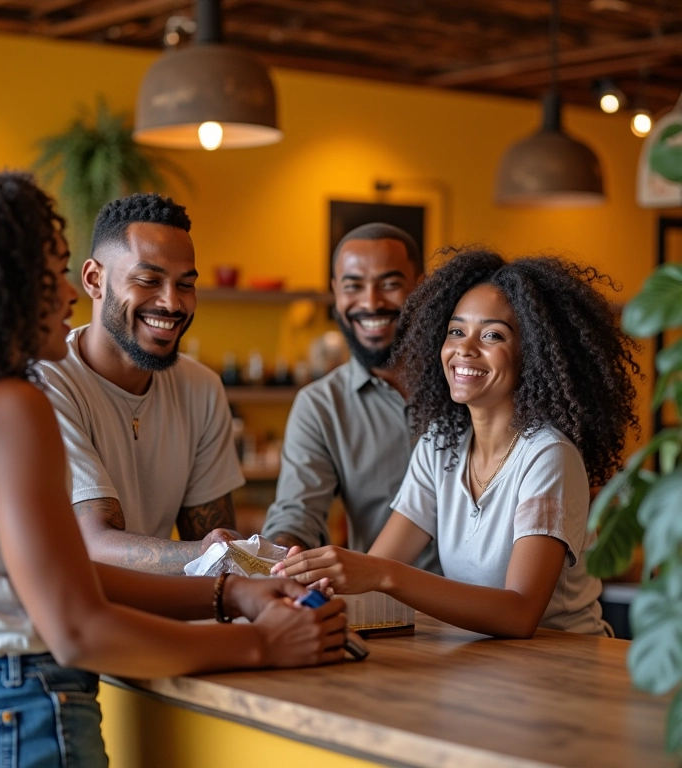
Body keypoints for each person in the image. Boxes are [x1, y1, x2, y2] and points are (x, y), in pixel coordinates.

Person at [0, 162, 347, 767]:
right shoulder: (14, 406)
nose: (67, 293)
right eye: (47, 275)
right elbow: (78, 627)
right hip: (22, 704)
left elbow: (64, 576)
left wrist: (230, 594)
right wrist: (260, 643)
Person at [274, 246, 642, 638]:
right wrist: (314, 578)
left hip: (564, 670)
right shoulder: (440, 446)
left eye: (492, 335)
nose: (464, 349)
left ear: (531, 354)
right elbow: (379, 563)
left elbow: (519, 613)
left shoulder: (548, 456)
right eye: (456, 331)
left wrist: (382, 575)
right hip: (479, 665)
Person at [38, 193, 245, 575]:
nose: (173, 303)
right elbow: (93, 542)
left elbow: (210, 539)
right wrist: (212, 554)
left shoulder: (202, 387)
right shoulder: (48, 381)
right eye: (149, 280)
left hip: (158, 609)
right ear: (93, 279)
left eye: (186, 285)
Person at [262, 223, 439, 573]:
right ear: (335, 292)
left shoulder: (467, 382)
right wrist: (283, 552)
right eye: (353, 286)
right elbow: (297, 515)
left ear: (420, 287)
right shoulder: (320, 405)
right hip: (388, 612)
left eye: (389, 284)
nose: (371, 302)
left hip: (491, 607)